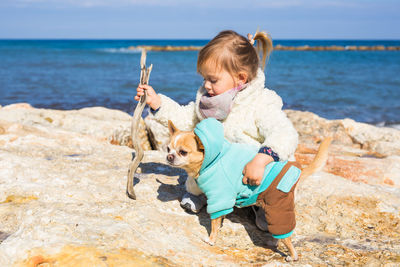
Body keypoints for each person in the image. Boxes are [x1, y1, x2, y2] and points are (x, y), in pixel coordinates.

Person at [135, 30, 298, 231]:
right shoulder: (209, 101)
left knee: (266, 189)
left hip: (250, 172)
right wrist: (157, 103)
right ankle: (202, 193)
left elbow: (284, 133)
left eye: (213, 80)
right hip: (218, 169)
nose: (206, 85)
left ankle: (259, 204)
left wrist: (262, 159)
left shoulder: (261, 103)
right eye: (204, 78)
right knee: (200, 162)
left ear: (240, 78)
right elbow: (186, 119)